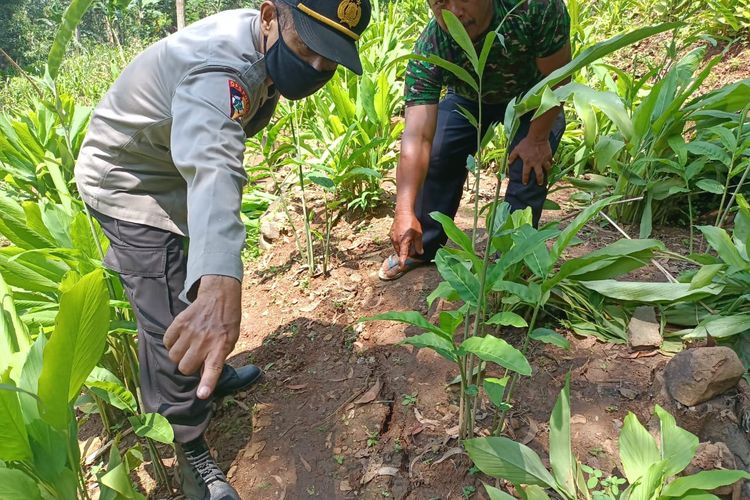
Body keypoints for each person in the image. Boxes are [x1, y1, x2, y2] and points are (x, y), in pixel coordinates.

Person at [74, 0, 371, 497]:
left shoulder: (263, 40)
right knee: (170, 311)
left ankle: (210, 372)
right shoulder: (221, 70)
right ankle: (190, 451)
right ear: (271, 15)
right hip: (130, 182)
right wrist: (218, 283)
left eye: (330, 58)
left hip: (172, 167)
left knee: (190, 281)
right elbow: (213, 163)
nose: (318, 68)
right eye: (308, 49)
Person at [380, 0, 570, 280]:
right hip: (470, 98)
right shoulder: (432, 46)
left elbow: (558, 79)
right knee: (438, 151)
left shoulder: (533, 8)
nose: (453, 11)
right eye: (440, 3)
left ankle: (511, 262)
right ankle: (421, 247)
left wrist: (538, 138)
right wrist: (404, 210)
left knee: (529, 166)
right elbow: (417, 136)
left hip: (535, 97)